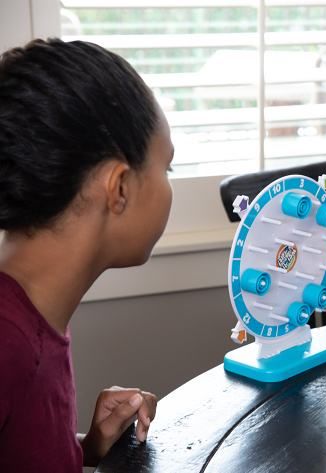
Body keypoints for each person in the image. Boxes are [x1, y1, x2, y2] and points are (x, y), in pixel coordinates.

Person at [0, 38, 172, 471]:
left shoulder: (32, 316)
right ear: (119, 188)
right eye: (166, 167)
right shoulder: (7, 342)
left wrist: (84, 446)